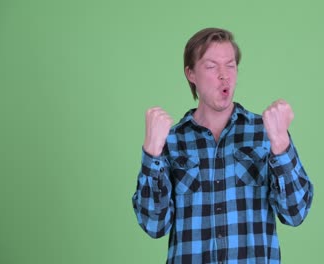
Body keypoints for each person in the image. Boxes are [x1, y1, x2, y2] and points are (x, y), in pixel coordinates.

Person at [132, 27, 314, 263]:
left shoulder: (266, 132)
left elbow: (295, 213)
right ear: (191, 74)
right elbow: (153, 225)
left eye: (230, 65)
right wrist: (151, 154)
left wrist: (281, 142)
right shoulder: (171, 141)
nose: (223, 75)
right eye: (211, 66)